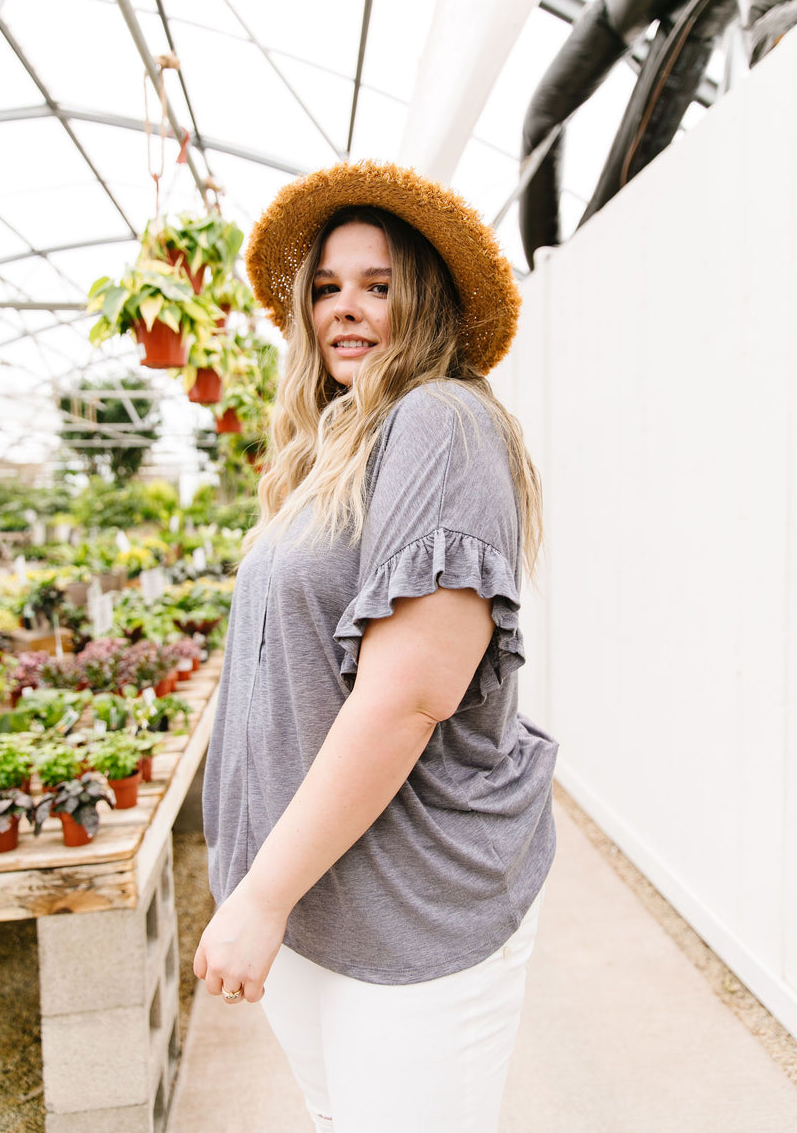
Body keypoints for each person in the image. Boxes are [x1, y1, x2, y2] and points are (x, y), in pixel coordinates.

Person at [195, 160, 558, 1133]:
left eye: (376, 285)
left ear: (426, 300)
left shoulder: (441, 420)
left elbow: (407, 695)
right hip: (323, 901)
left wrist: (258, 898)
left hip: (402, 906)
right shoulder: (340, 447)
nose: (342, 310)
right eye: (325, 287)